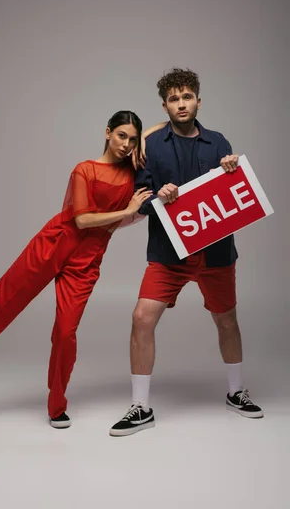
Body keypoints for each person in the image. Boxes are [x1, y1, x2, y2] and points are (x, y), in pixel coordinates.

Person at [0, 111, 158, 429]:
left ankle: (57, 405)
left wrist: (162, 126)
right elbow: (82, 220)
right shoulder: (84, 169)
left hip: (88, 260)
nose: (127, 144)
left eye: (133, 139)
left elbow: (153, 139)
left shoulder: (132, 173)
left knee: (66, 333)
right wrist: (128, 210)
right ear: (107, 133)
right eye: (121, 135)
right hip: (56, 243)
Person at [110, 68, 263, 437]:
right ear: (165, 106)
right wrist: (159, 198)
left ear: (198, 100)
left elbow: (232, 197)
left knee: (227, 320)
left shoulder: (219, 142)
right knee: (141, 318)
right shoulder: (152, 145)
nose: (181, 104)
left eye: (187, 97)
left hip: (216, 254)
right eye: (174, 99)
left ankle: (236, 392)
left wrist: (232, 170)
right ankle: (140, 405)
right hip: (168, 253)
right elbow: (139, 202)